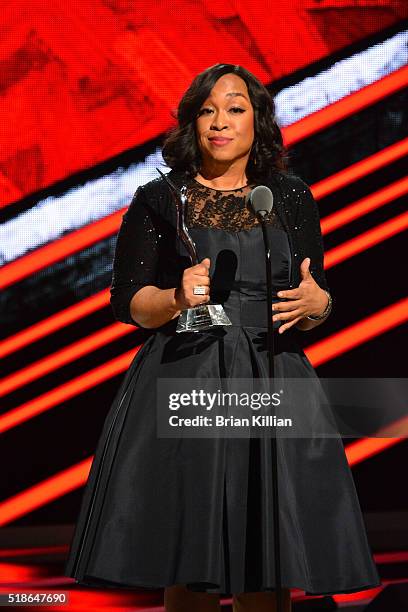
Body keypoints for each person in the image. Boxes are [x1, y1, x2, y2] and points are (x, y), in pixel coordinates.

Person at [64, 63, 381, 611]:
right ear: (192, 123)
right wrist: (175, 299)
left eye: (235, 108)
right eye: (207, 110)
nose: (220, 121)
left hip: (274, 371)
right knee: (193, 551)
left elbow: (314, 296)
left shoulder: (290, 197)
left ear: (258, 122)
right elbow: (129, 300)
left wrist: (318, 304)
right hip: (190, 369)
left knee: (270, 554)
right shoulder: (160, 198)